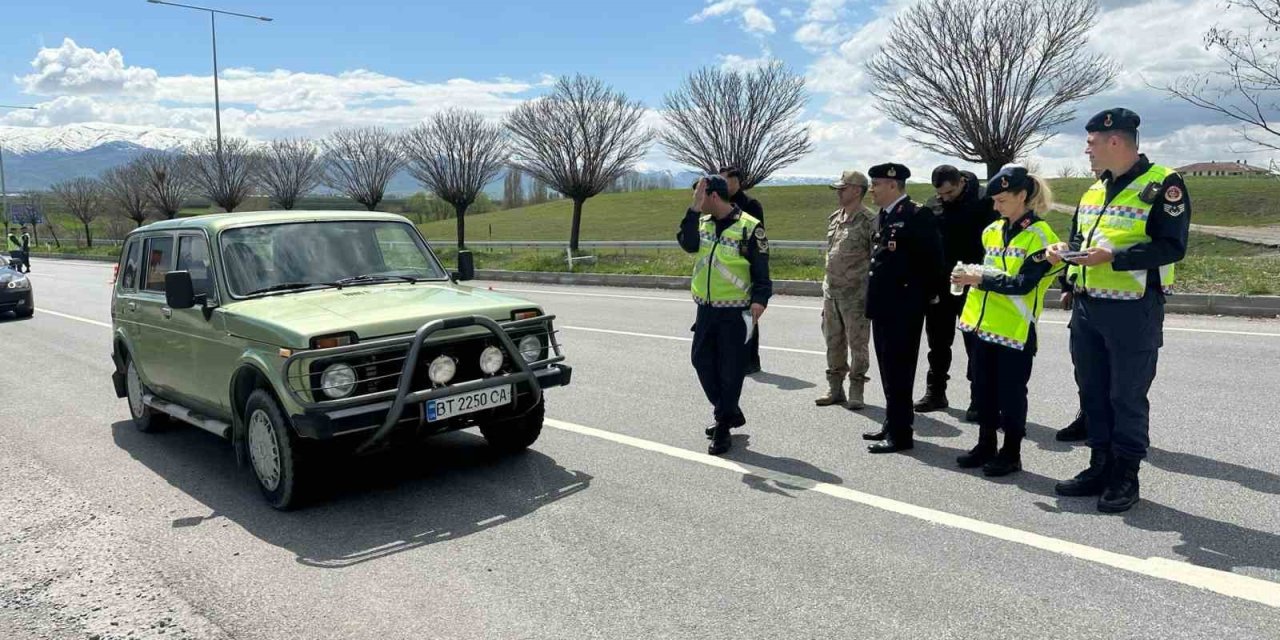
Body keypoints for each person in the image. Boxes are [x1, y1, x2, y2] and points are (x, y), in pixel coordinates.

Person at [1049, 108, 1191, 513]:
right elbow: (1080, 238)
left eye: (1090, 142)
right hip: (1088, 307)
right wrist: (1066, 261)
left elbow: (1171, 245)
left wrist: (1113, 256)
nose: (1086, 150)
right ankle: (1099, 466)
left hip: (1133, 309)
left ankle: (1125, 475)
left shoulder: (1163, 183)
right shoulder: (1094, 189)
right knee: (1092, 391)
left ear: (1115, 141)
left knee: (1126, 395)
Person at [951, 165, 1062, 476]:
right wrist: (968, 275)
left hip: (1015, 330)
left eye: (1001, 200)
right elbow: (993, 271)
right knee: (983, 390)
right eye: (994, 201)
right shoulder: (992, 231)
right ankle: (985, 444)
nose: (996, 207)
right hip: (981, 325)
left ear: (1022, 196)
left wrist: (979, 280)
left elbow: (1023, 284)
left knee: (1011, 395)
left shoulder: (1040, 236)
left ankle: (1011, 453)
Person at [678, 175, 772, 456]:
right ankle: (728, 410)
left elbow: (761, 271)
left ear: (714, 196)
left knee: (731, 371)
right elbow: (688, 243)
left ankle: (722, 428)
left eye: (699, 197)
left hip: (736, 311)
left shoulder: (749, 227)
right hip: (706, 309)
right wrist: (693, 210)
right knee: (701, 361)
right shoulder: (701, 222)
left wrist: (759, 300)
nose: (696, 202)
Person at [862, 163, 945, 454]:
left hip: (904, 306)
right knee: (887, 367)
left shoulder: (916, 214)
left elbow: (933, 259)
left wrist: (929, 296)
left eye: (876, 184)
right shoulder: (883, 217)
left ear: (893, 186)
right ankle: (892, 421)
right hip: (883, 305)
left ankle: (901, 434)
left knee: (899, 369)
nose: (872, 189)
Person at [915, 166, 998, 420]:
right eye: (941, 194)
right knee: (938, 343)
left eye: (949, 192)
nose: (945, 197)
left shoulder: (984, 203)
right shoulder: (935, 203)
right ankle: (936, 391)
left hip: (973, 283)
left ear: (961, 182)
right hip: (942, 284)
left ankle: (979, 398)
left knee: (975, 345)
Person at [816, 170, 876, 410]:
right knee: (833, 341)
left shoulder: (869, 221)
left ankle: (856, 388)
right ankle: (835, 387)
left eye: (844, 188)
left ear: (857, 190)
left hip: (856, 295)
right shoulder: (835, 218)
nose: (839, 192)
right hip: (832, 292)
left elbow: (875, 260)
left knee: (857, 343)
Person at [720, 166, 765, 374]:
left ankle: (751, 360)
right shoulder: (719, 203)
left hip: (745, 265)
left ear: (736, 181)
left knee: (748, 317)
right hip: (724, 269)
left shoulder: (750, 205)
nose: (723, 185)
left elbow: (757, 236)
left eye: (726, 181)